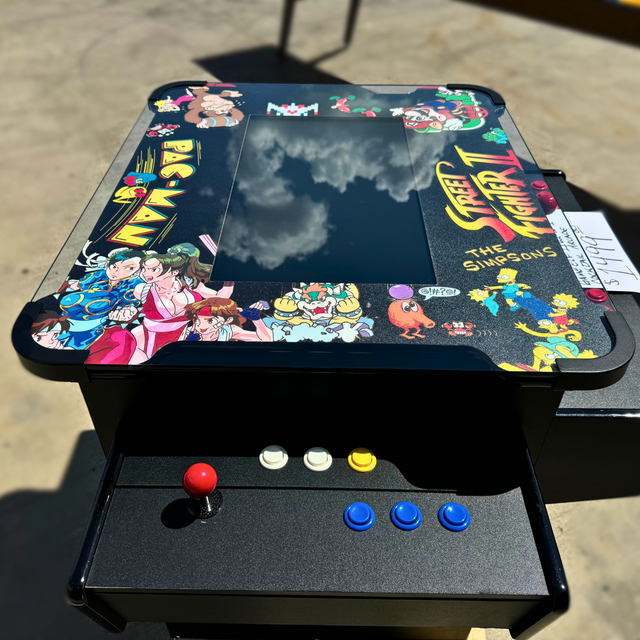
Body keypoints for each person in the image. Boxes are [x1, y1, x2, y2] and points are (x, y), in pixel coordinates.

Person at [183, 298, 272, 342]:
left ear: (228, 320)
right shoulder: (185, 332)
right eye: (197, 320)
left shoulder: (227, 331)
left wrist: (255, 318)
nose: (201, 325)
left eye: (211, 321)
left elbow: (267, 340)